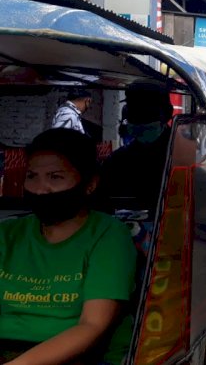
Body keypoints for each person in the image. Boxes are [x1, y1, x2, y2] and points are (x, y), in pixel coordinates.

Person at [0, 128, 137, 364]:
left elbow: (92, 325)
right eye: (32, 176)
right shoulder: (9, 234)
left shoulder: (108, 235)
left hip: (72, 355)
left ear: (89, 184)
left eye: (55, 177)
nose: (40, 189)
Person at [96, 82, 174, 213]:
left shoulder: (180, 158)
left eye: (148, 116)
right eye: (134, 116)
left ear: (165, 116)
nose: (140, 122)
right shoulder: (117, 161)